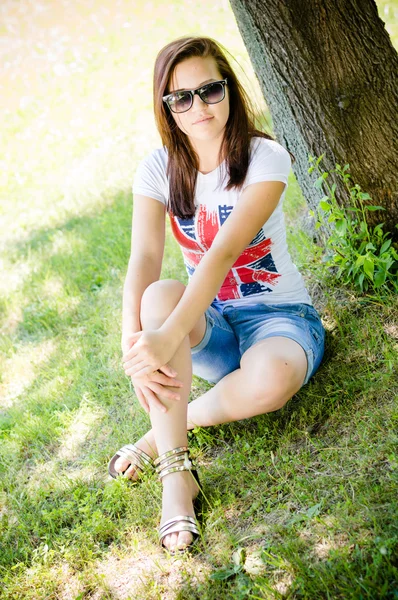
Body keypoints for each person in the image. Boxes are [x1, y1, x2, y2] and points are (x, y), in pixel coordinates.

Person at [108, 36, 325, 554]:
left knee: (271, 379)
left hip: (280, 318)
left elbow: (223, 253)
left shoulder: (265, 156)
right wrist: (134, 345)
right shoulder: (158, 167)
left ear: (228, 88)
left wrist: (167, 338)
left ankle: (156, 439)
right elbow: (143, 257)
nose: (198, 106)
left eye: (208, 90)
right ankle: (177, 478)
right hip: (210, 325)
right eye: (181, 97)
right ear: (166, 108)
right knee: (159, 295)